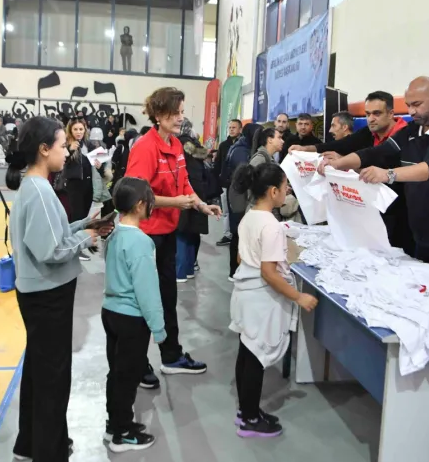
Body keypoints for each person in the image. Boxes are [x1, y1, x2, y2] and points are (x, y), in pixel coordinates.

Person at [6, 116, 110, 461]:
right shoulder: (37, 190)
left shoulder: (37, 186)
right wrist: (89, 236)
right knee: (53, 378)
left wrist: (84, 224)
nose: (68, 152)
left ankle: (31, 443)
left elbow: (55, 231)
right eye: (63, 145)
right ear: (43, 149)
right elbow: (51, 250)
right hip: (47, 296)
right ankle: (47, 451)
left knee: (40, 372)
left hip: (42, 293)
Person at [323, 78, 429, 278]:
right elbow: (377, 153)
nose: (411, 112)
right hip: (423, 233)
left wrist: (388, 174)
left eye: (417, 105)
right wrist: (338, 164)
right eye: (408, 105)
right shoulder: (411, 130)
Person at [125, 87, 222, 385]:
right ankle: (137, 363)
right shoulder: (145, 147)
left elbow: (184, 184)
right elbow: (138, 194)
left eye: (182, 112)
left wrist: (200, 204)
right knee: (143, 301)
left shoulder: (177, 146)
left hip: (166, 233)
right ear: (159, 114)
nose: (181, 117)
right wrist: (177, 203)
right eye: (176, 112)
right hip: (145, 236)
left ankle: (171, 355)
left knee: (168, 297)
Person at [228, 162, 318, 438]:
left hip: (245, 294)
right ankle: (251, 419)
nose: (288, 190)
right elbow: (269, 273)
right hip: (261, 300)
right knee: (256, 356)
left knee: (247, 351)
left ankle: (246, 410)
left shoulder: (249, 217)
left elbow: (241, 257)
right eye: (285, 186)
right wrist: (299, 296)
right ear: (273, 191)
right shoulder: (272, 227)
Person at [292, 92, 414, 254]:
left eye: (376, 113)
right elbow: (343, 144)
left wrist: (343, 163)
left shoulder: (405, 136)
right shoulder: (368, 133)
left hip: (401, 216)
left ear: (391, 114)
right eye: (368, 114)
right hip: (372, 213)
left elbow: (379, 161)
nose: (371, 119)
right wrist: (306, 149)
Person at [102, 177, 165, 453]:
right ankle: (123, 434)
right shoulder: (140, 242)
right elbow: (147, 290)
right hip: (132, 318)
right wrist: (159, 328)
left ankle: (114, 423)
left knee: (116, 372)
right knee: (127, 377)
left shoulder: (114, 234)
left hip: (111, 311)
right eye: (150, 201)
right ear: (140, 206)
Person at [221, 123, 263, 279]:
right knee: (238, 234)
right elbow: (243, 178)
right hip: (239, 198)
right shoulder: (242, 151)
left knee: (238, 233)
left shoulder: (241, 147)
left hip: (238, 196)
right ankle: (234, 271)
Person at [175, 128, 212, 283]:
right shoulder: (199, 150)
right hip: (199, 193)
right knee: (192, 233)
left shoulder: (178, 145)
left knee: (181, 232)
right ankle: (189, 268)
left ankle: (180, 272)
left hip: (184, 191)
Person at [63, 119, 95, 261]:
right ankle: (76, 248)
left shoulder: (89, 145)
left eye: (81, 129)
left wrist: (100, 163)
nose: (78, 132)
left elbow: (97, 163)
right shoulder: (66, 145)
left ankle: (79, 246)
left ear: (85, 130)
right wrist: (70, 150)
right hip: (74, 185)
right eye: (75, 129)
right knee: (76, 216)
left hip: (88, 185)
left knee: (84, 216)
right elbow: (62, 162)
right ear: (70, 130)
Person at [214, 119, 241, 246]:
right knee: (225, 210)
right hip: (225, 183)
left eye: (234, 127)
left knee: (237, 210)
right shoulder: (223, 145)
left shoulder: (243, 146)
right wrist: (218, 181)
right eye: (230, 127)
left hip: (239, 185)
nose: (231, 129)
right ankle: (227, 234)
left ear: (240, 129)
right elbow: (218, 164)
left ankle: (238, 234)